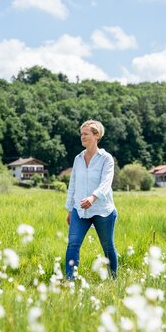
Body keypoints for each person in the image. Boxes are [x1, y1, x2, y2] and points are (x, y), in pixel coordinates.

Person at [65, 119, 118, 280]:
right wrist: (70, 209)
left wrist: (93, 197)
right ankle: (70, 280)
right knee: (73, 244)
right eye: (81, 134)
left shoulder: (106, 158)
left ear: (96, 135)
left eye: (86, 134)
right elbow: (72, 184)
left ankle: (113, 279)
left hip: (102, 210)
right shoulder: (78, 159)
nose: (82, 137)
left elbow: (106, 182)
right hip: (80, 210)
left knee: (108, 247)